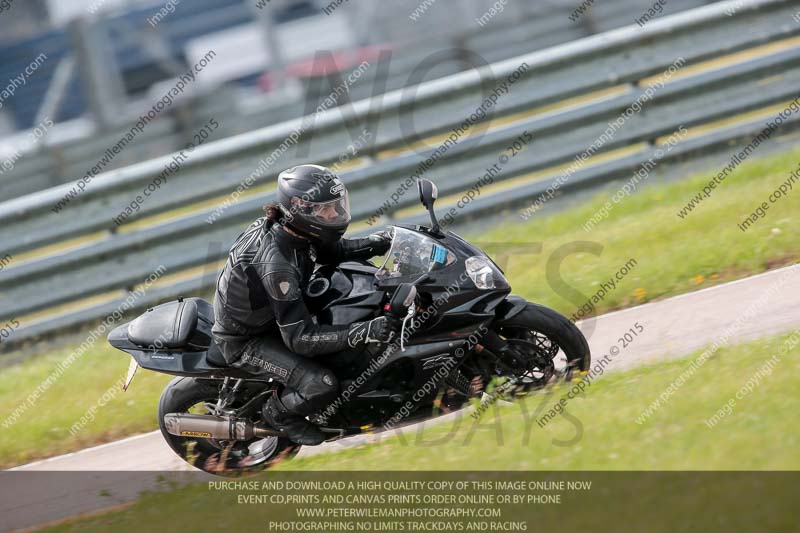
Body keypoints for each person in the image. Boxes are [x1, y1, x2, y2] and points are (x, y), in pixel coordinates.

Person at [212, 164, 399, 445]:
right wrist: (363, 331)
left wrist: (383, 241)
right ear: (301, 208)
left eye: (337, 206)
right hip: (246, 339)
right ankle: (280, 414)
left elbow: (333, 251)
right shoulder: (277, 265)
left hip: (274, 315)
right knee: (320, 384)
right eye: (327, 209)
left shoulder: (295, 231)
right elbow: (301, 339)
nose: (335, 214)